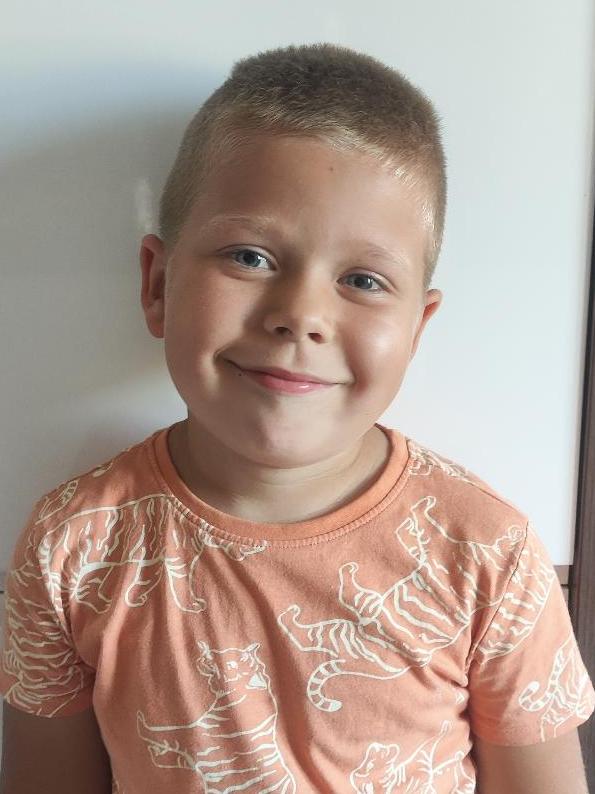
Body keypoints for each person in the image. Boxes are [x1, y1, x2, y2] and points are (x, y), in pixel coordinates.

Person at [0, 42, 593, 794]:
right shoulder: (70, 546)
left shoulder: (486, 553)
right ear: (157, 285)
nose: (301, 315)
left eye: (363, 279)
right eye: (249, 257)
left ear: (416, 329)